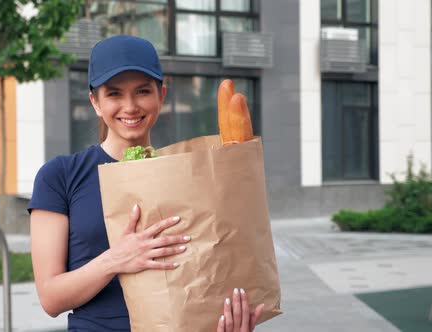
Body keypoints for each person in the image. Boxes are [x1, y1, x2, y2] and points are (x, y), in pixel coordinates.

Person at [28, 35, 265, 332]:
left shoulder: (189, 172)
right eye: (114, 94)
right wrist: (117, 258)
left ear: (161, 96)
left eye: (142, 91)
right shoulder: (60, 175)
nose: (130, 106)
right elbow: (50, 298)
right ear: (95, 102)